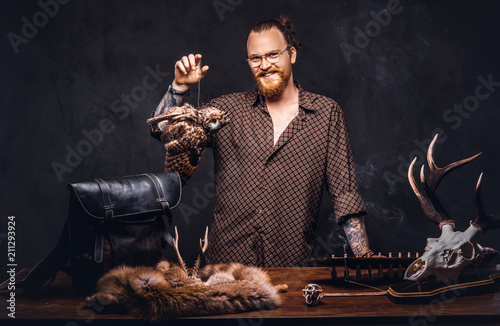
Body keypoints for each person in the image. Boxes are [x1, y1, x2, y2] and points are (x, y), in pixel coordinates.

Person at [150, 16, 373, 267]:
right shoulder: (226, 110)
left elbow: (346, 197)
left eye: (273, 55)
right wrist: (179, 87)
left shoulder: (326, 114)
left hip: (290, 271)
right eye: (255, 58)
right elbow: (162, 129)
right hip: (224, 271)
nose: (264, 65)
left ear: (292, 54)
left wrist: (366, 259)